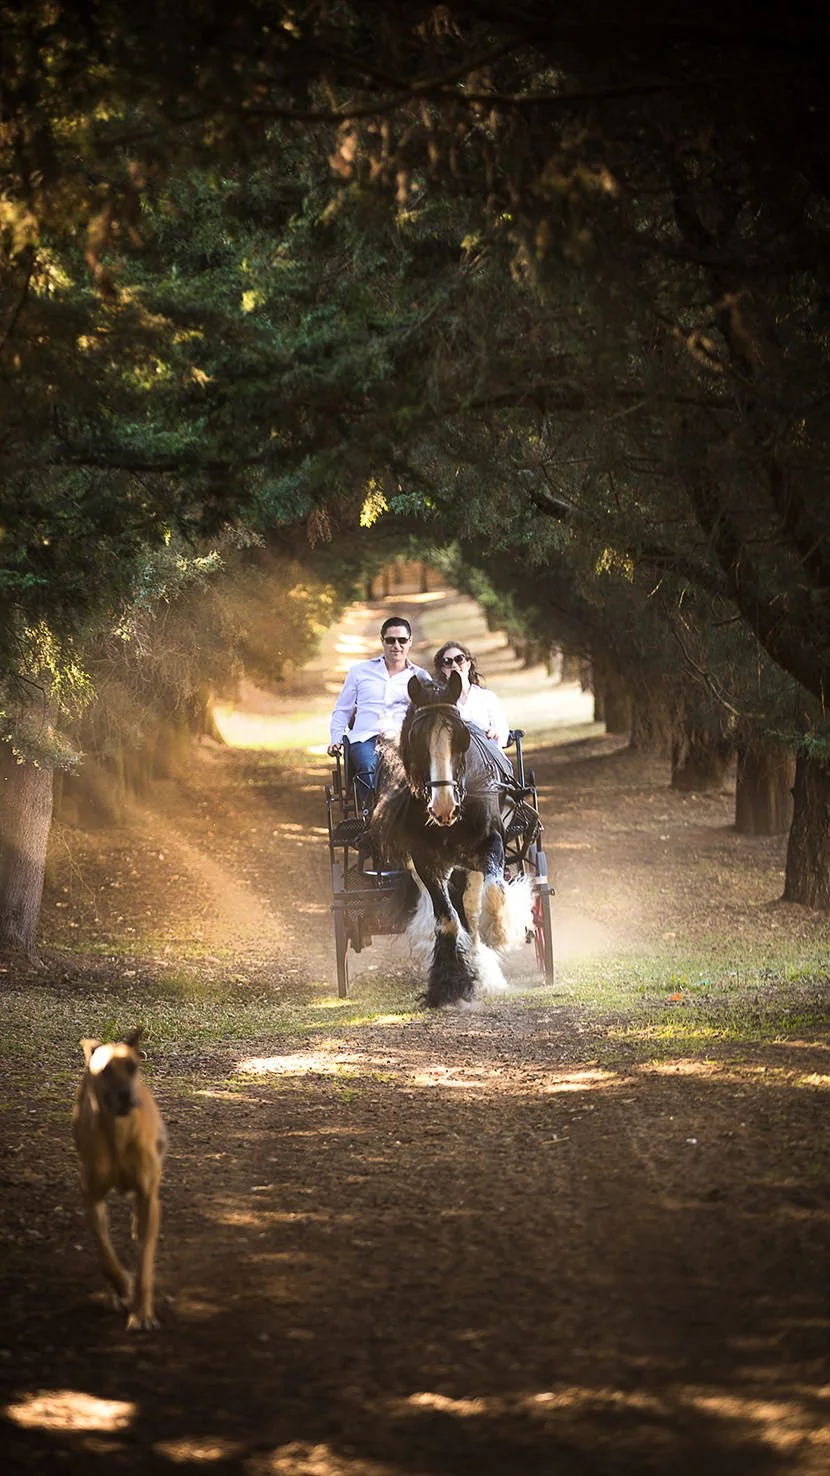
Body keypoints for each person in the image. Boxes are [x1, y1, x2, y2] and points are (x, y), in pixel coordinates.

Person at [328, 615, 430, 803]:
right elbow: (343, 710)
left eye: (402, 640)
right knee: (368, 767)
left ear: (410, 642)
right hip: (366, 738)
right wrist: (336, 738)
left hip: (405, 740)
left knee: (412, 771)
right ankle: (373, 815)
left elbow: (430, 714)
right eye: (390, 640)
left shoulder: (421, 677)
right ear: (382, 641)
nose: (396, 646)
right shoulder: (360, 672)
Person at [433, 640, 510, 747]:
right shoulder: (440, 703)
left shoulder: (487, 697)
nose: (454, 665)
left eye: (459, 659)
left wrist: (495, 732)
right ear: (443, 670)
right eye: (447, 662)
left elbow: (503, 731)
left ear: (468, 664)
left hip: (489, 755)